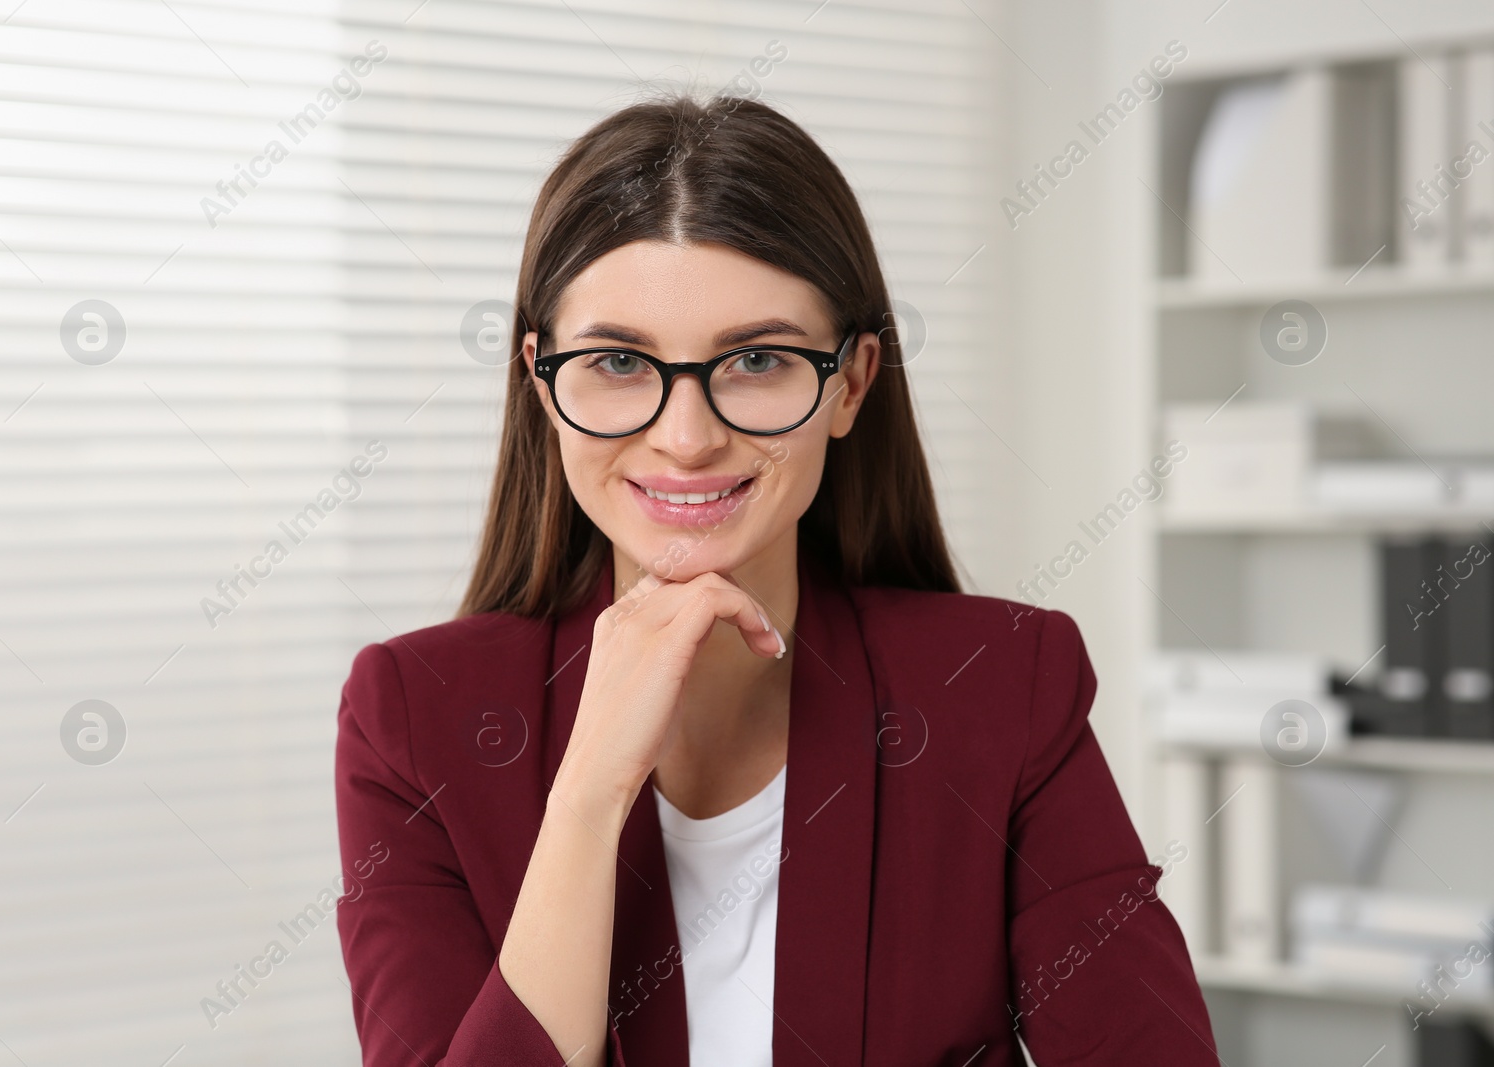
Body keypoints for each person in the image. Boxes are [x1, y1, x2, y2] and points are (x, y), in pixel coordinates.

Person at [333, 91, 1218, 1067]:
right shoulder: (413, 715)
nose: (686, 436)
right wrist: (588, 791)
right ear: (541, 380)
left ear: (848, 383)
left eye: (755, 359)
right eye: (620, 360)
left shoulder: (1000, 686)